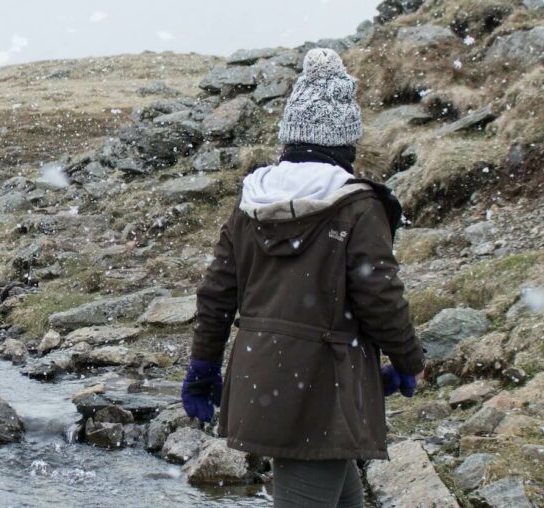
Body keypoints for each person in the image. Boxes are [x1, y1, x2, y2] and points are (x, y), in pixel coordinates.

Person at [180, 48, 426, 508]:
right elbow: (380, 297)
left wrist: (203, 367)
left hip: (261, 377)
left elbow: (216, 294)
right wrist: (408, 360)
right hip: (324, 388)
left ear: (289, 135)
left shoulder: (252, 201)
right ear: (347, 141)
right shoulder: (357, 206)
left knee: (344, 496)